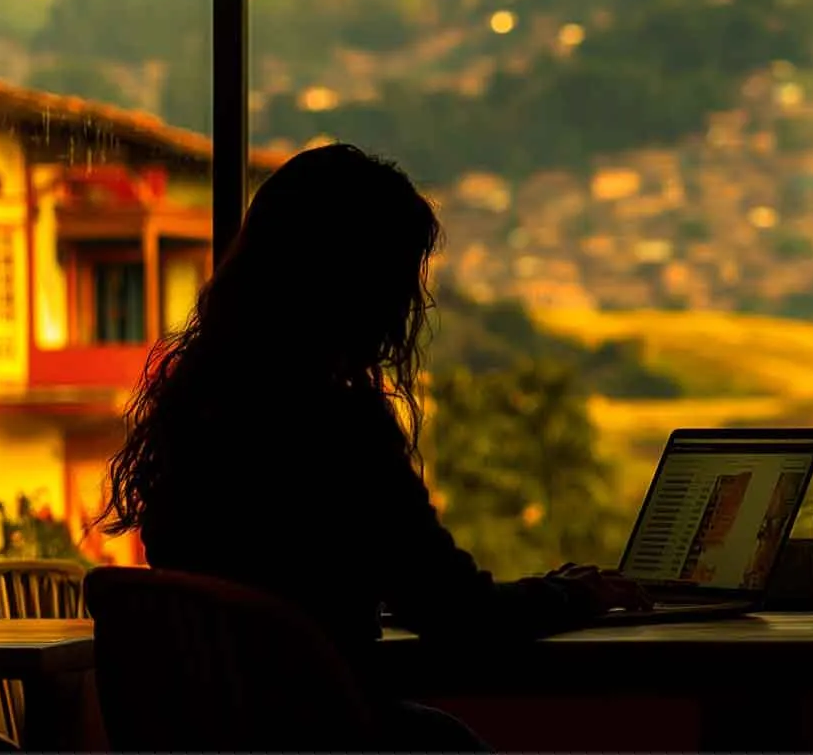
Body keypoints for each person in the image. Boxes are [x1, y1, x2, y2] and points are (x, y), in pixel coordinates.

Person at [97, 143, 649, 751]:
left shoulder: (194, 414)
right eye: (398, 279)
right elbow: (455, 612)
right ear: (358, 286)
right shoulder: (337, 426)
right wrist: (574, 594)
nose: (405, 307)